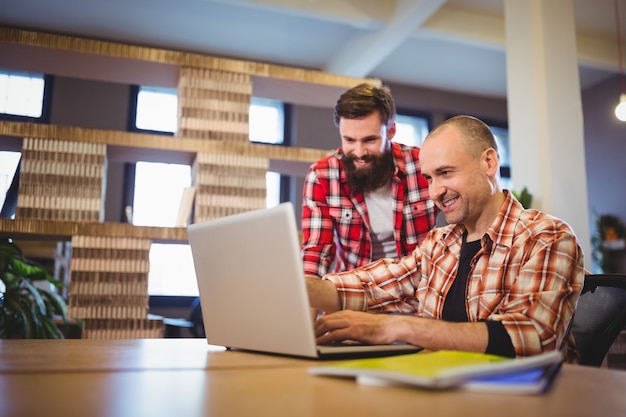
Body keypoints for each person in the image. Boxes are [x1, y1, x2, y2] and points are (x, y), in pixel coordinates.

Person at [306, 115, 584, 360]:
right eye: (428, 178)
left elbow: (533, 338)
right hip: (446, 392)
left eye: (445, 173)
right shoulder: (438, 245)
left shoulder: (545, 237)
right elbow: (369, 287)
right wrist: (296, 286)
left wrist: (398, 327)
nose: (434, 192)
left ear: (489, 162)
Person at [301, 83, 438, 278]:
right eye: (349, 140)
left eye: (369, 140)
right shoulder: (322, 176)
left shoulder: (423, 165)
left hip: (416, 293)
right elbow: (316, 253)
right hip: (351, 291)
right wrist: (306, 305)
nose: (359, 152)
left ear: (390, 131)